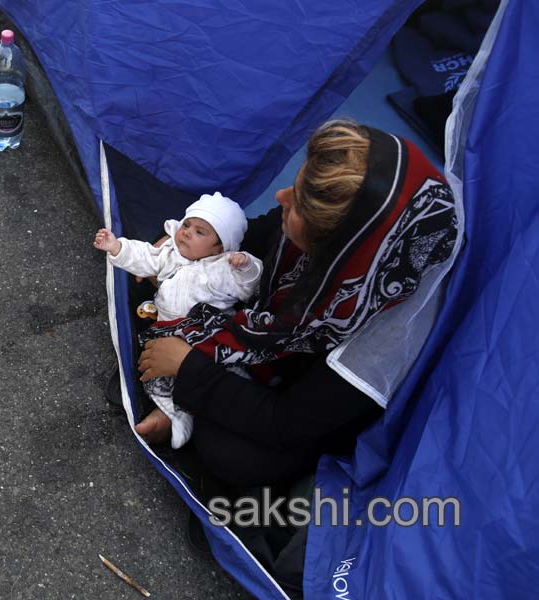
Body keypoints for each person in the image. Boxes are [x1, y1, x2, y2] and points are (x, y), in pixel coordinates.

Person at [132, 119, 459, 489]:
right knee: (174, 282)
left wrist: (188, 367)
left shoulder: (382, 335)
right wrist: (183, 247)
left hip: (306, 398)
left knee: (236, 456)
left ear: (340, 248)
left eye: (299, 203)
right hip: (276, 338)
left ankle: (182, 404)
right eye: (297, 184)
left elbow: (288, 423)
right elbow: (258, 235)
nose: (281, 197)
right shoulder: (354, 232)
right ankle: (184, 402)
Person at [94, 192, 263, 448]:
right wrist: (117, 247)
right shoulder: (171, 253)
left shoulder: (224, 267)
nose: (186, 232)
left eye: (200, 232)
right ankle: (174, 414)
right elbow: (146, 256)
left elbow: (250, 284)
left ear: (220, 247)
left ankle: (207, 403)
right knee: (155, 375)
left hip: (205, 331)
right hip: (168, 330)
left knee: (219, 367)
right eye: (186, 225)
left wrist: (245, 266)